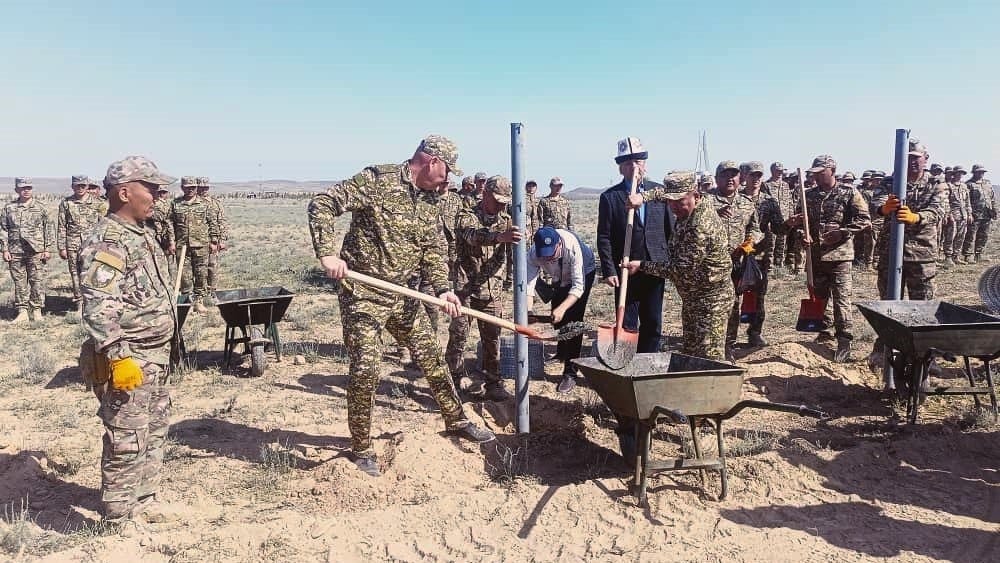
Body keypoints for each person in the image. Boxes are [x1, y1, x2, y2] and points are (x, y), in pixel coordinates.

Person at [308, 134, 495, 477]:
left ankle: (456, 419)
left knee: (431, 356)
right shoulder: (377, 180)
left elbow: (432, 249)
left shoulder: (430, 200)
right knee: (366, 367)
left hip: (402, 294)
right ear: (432, 161)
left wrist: (443, 289)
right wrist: (327, 253)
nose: (448, 179)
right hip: (362, 292)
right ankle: (361, 447)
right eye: (447, 171)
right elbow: (323, 203)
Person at [79, 155, 179, 525]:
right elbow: (98, 305)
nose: (157, 196)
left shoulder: (142, 233)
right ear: (124, 193)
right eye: (150, 189)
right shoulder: (108, 242)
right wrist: (118, 357)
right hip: (131, 357)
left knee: (153, 431)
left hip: (156, 356)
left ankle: (144, 499)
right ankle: (117, 518)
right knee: (126, 439)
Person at [627, 171, 732, 361]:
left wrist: (642, 265)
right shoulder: (694, 203)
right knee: (691, 353)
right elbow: (664, 192)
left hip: (711, 301)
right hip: (693, 297)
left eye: (680, 201)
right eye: (670, 201)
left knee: (709, 358)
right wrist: (643, 197)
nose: (674, 207)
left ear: (696, 196)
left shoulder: (700, 227)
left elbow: (680, 270)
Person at [786, 155, 870, 363]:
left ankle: (844, 340)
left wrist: (843, 232)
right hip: (816, 256)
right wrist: (802, 235)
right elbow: (800, 223)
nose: (815, 177)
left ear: (832, 170)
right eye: (814, 173)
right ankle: (824, 333)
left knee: (841, 299)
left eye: (820, 172)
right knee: (820, 297)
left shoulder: (849, 192)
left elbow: (864, 220)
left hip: (840, 256)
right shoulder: (808, 195)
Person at [448, 175, 520, 402]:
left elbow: (511, 255)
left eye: (504, 202)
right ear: (485, 194)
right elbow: (472, 237)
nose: (500, 206)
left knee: (492, 339)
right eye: (497, 201)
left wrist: (509, 278)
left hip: (492, 290)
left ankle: (494, 383)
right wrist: (500, 236)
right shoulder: (467, 215)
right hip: (466, 289)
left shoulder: (507, 220)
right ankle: (455, 379)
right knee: (459, 336)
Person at [596, 137, 670, 355]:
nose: (634, 166)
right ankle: (626, 361)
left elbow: (670, 229)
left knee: (653, 321)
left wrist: (670, 262)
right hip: (625, 268)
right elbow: (604, 236)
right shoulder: (610, 197)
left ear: (645, 164)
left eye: (638, 161)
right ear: (620, 168)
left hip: (654, 265)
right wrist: (609, 270)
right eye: (628, 163)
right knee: (627, 322)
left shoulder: (659, 193)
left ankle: (648, 360)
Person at [526, 226, 596, 393]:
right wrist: (528, 312)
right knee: (557, 314)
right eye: (544, 255)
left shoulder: (572, 247)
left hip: (583, 272)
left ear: (559, 244)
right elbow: (528, 286)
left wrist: (563, 309)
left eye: (551, 253)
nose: (548, 258)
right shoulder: (533, 254)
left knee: (573, 321)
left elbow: (578, 288)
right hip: (559, 277)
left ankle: (570, 373)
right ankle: (561, 353)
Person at [874, 139, 946, 301]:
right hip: (890, 252)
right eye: (907, 157)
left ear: (925, 158)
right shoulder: (888, 182)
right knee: (889, 303)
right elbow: (876, 204)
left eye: (915, 157)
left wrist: (917, 217)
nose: (911, 161)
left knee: (923, 305)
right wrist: (883, 208)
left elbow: (938, 210)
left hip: (921, 253)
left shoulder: (936, 183)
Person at [708, 160, 762, 358]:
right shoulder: (705, 201)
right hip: (710, 264)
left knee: (732, 305)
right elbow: (690, 223)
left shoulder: (746, 203)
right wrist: (714, 214)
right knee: (711, 305)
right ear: (717, 179)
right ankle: (709, 345)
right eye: (725, 175)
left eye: (734, 175)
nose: (730, 179)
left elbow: (755, 228)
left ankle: (727, 346)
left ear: (740, 178)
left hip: (736, 263)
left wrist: (749, 243)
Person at [740, 161, 785, 347]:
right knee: (732, 295)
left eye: (759, 175)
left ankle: (755, 333)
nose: (756, 179)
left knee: (759, 295)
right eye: (752, 175)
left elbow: (779, 228)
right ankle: (728, 335)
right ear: (744, 176)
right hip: (736, 254)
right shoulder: (736, 198)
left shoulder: (769, 201)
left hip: (759, 256)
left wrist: (791, 225)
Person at [1, 178, 52, 323]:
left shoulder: (41, 207)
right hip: (15, 251)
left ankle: (37, 310)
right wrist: (5, 250)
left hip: (36, 251)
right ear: (17, 190)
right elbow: (3, 230)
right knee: (19, 282)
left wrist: (47, 248)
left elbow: (48, 229)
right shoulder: (9, 208)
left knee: (37, 281)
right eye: (23, 188)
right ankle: (22, 311)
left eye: (29, 188)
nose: (26, 190)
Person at [167, 176, 220, 312]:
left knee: (201, 274)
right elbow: (170, 223)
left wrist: (214, 241)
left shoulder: (204, 204)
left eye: (193, 187)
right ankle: (187, 302)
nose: (190, 190)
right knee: (184, 276)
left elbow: (212, 223)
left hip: (201, 245)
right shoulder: (176, 204)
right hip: (182, 245)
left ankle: (199, 301)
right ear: (182, 188)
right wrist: (171, 241)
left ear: (196, 188)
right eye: (187, 187)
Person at [57, 175, 108, 303]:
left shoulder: (98, 203)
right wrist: (61, 247)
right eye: (77, 186)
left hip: (93, 244)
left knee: (92, 271)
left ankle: (92, 301)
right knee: (75, 272)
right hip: (72, 243)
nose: (80, 188)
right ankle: (79, 301)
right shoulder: (66, 203)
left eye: (82, 186)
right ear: (72, 187)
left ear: (87, 187)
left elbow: (103, 225)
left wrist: (104, 245)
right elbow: (62, 226)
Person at [197, 177, 228, 295]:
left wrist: (222, 240)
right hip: (197, 241)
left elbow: (222, 222)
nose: (203, 190)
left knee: (212, 266)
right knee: (198, 267)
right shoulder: (193, 203)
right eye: (201, 188)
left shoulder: (215, 203)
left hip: (212, 241)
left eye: (205, 187)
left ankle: (212, 291)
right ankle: (199, 292)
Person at [762, 162, 793, 272]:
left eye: (781, 171)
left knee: (782, 243)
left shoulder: (785, 185)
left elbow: (790, 202)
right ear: (772, 171)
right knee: (770, 244)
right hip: (772, 220)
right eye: (777, 171)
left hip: (784, 219)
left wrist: (791, 216)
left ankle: (779, 266)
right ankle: (769, 267)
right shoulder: (766, 185)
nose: (780, 173)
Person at [963, 164, 995, 263]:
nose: (981, 174)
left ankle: (979, 254)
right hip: (974, 215)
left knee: (984, 235)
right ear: (974, 172)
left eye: (982, 172)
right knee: (970, 236)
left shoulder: (987, 183)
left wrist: (994, 210)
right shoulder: (968, 184)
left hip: (987, 214)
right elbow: (966, 201)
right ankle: (968, 255)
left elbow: (992, 198)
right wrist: (969, 214)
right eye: (979, 172)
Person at [942, 165, 972, 267]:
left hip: (963, 215)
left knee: (961, 236)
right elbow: (945, 202)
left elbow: (967, 201)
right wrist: (948, 214)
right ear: (954, 174)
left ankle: (956, 256)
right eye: (958, 173)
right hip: (953, 215)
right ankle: (948, 257)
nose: (960, 175)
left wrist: (969, 214)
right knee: (950, 236)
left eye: (962, 173)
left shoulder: (964, 186)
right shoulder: (948, 186)